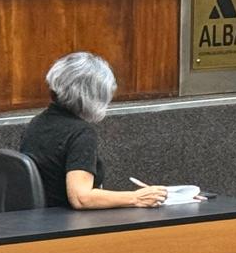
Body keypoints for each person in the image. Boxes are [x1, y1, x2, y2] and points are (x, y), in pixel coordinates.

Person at [19, 52, 167, 210]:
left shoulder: (38, 122)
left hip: (41, 220)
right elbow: (81, 198)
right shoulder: (80, 133)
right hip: (68, 227)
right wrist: (136, 198)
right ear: (95, 96)